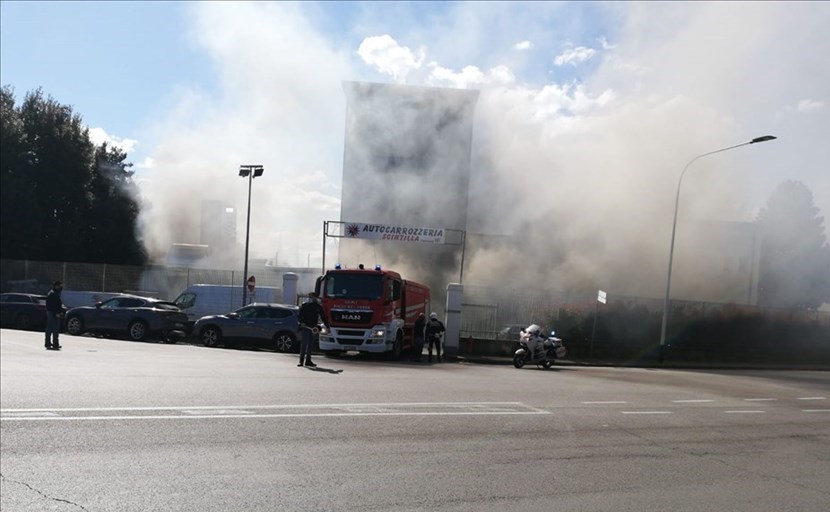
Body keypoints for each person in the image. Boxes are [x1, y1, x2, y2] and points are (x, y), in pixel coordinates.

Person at [297, 292, 328, 367]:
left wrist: (327, 326)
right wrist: (302, 322)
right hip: (306, 327)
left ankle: (308, 360)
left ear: (315, 298)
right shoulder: (305, 306)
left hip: (314, 328)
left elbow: (323, 317)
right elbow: (300, 316)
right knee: (304, 344)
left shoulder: (318, 307)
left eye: (312, 297)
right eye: (309, 297)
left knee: (310, 344)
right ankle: (301, 361)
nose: (310, 298)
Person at [45, 280, 64, 350]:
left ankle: (50, 343)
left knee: (53, 328)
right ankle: (52, 343)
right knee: (53, 328)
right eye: (60, 286)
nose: (61, 287)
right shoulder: (52, 294)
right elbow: (52, 305)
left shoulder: (55, 293)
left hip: (53, 312)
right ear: (56, 286)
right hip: (52, 313)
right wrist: (57, 313)